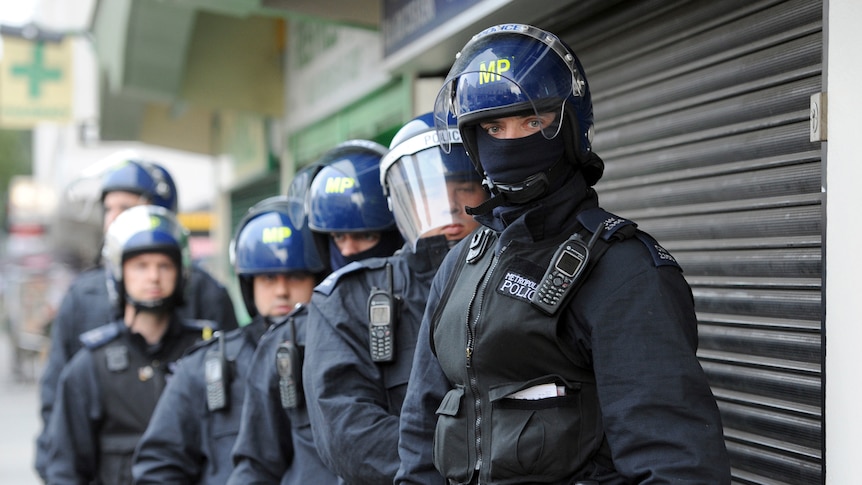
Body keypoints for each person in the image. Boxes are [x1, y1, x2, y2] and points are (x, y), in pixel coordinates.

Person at [395, 24, 731, 484]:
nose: (510, 141)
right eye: (493, 127)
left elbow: (675, 463)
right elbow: (421, 434)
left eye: (533, 122)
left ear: (570, 126)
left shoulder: (621, 268)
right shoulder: (460, 264)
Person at [302, 113, 488, 483]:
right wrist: (464, 465)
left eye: (462, 187)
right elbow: (348, 433)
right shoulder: (346, 300)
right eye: (431, 191)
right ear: (402, 203)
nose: (449, 206)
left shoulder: (523, 278)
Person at [35, 158, 238, 480]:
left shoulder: (207, 294)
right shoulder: (81, 297)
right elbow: (58, 398)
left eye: (125, 208)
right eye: (108, 209)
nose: (153, 278)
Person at [229, 141, 407, 484]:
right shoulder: (288, 339)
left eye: (365, 236)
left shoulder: (438, 307)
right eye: (337, 237)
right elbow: (256, 464)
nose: (349, 250)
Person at [132, 195, 330, 484]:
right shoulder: (203, 369)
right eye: (268, 279)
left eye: (296, 277)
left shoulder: (342, 358)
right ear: (248, 285)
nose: (282, 292)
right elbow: (159, 468)